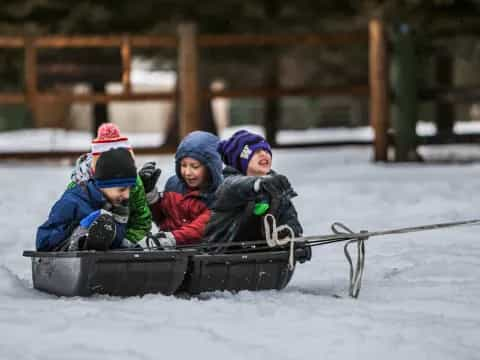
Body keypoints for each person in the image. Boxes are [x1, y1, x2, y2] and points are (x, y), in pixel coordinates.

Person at [204, 130, 310, 261]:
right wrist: (258, 183)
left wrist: (296, 239)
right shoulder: (227, 184)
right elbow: (237, 186)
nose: (263, 154)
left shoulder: (274, 185)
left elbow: (289, 217)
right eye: (256, 152)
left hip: (262, 256)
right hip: (221, 256)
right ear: (240, 160)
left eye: (266, 151)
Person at [36, 148, 138, 251]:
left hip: (101, 263)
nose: (127, 195)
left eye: (130, 189)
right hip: (69, 262)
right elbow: (43, 243)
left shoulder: (116, 205)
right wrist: (76, 229)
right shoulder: (72, 203)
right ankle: (80, 241)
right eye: (122, 189)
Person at [68, 123, 151, 245]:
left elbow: (142, 220)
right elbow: (68, 221)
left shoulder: (133, 184)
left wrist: (125, 241)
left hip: (123, 242)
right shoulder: (80, 183)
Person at [139, 131, 223, 248]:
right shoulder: (173, 185)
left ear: (210, 167)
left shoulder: (218, 194)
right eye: (183, 165)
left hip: (201, 253)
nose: (187, 172)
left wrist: (169, 239)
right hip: (169, 252)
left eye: (195, 166)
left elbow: (199, 229)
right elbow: (162, 218)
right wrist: (150, 192)